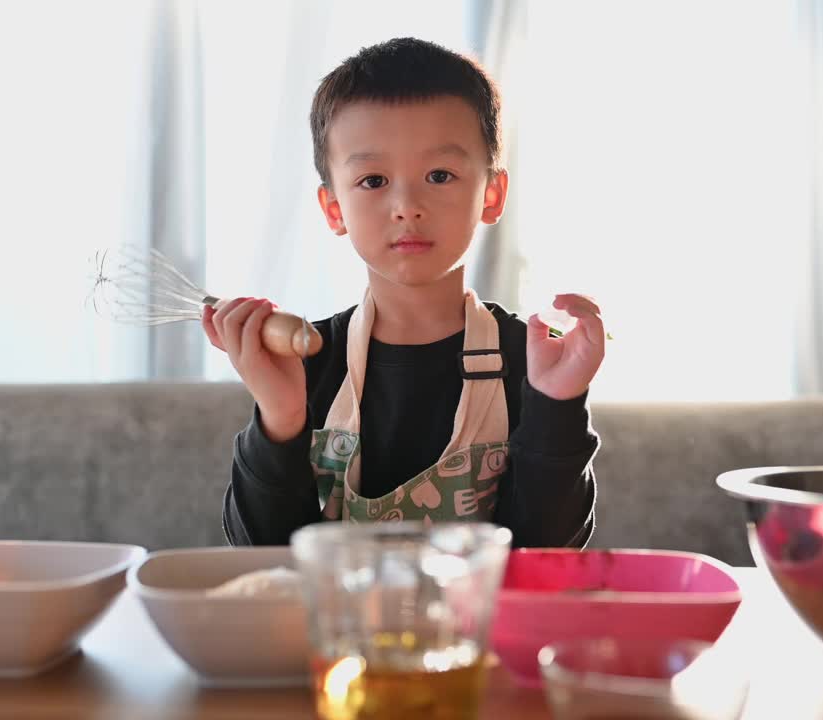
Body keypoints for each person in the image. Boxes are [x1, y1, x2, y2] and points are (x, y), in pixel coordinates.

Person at [202, 37, 603, 548]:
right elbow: (262, 557)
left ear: (492, 193)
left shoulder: (531, 358)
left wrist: (558, 405)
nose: (406, 205)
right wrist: (279, 419)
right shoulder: (306, 361)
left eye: (440, 175)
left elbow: (548, 553)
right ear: (334, 210)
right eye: (373, 180)